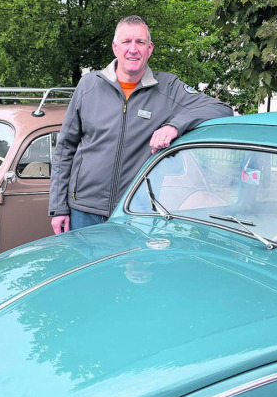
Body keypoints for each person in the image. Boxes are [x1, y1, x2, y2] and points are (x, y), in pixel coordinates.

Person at [49, 15, 233, 234]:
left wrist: (174, 125)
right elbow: (64, 149)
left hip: (135, 212)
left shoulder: (168, 87)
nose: (133, 49)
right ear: (115, 47)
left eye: (140, 42)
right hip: (83, 210)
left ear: (150, 48)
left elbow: (221, 108)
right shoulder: (89, 85)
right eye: (126, 42)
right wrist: (59, 207)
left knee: (127, 269)